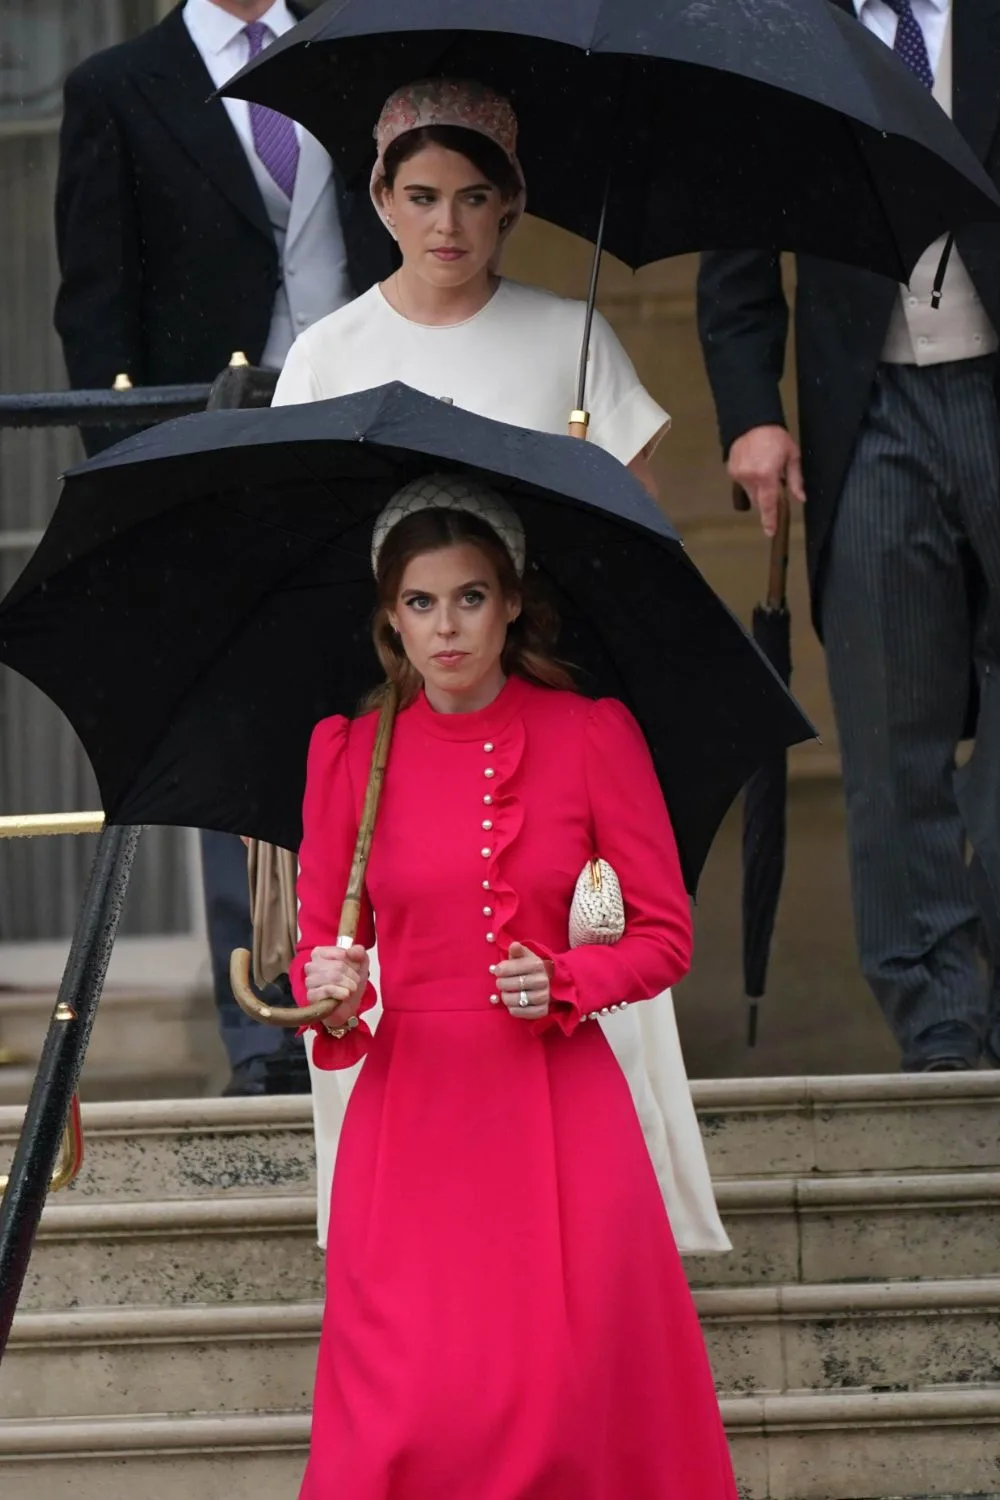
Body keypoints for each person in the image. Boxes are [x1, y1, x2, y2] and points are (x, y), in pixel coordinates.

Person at [273, 77, 731, 1257]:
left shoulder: (570, 336)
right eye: (421, 196)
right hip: (394, 735)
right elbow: (306, 563)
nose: (447, 226)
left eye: (476, 199)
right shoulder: (328, 354)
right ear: (378, 197)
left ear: (512, 206)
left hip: (545, 736)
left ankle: (608, 1252)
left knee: (574, 1020)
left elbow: (643, 551)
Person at [290, 470, 738, 1498]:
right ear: (389, 618)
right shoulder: (346, 756)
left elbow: (665, 937)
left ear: (513, 602)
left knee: (560, 1401)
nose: (446, 627)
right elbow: (326, 983)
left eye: (470, 597)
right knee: (410, 1411)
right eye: (420, 603)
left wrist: (570, 977)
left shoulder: (590, 736)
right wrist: (330, 983)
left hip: (558, 1110)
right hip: (410, 1120)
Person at [53, 0, 394, 1094]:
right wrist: (145, 483)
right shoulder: (117, 86)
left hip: (367, 429)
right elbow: (95, 313)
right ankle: (264, 1037)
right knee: (236, 728)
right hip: (217, 448)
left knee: (387, 704)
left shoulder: (349, 53)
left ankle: (384, 997)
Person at [697, 0, 1000, 1072]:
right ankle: (944, 1032)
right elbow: (735, 264)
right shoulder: (786, 36)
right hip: (863, 414)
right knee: (886, 736)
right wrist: (751, 415)